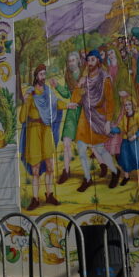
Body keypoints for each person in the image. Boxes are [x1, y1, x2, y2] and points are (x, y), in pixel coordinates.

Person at [71, 50, 117, 193]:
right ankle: (87, 178)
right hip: (84, 118)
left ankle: (115, 172)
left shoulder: (105, 79)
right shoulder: (84, 79)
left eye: (93, 60)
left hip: (98, 118)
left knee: (100, 149)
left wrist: (108, 121)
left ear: (98, 61)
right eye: (88, 60)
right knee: (81, 150)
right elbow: (75, 100)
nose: (90, 63)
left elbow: (110, 101)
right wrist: (79, 85)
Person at [19, 64, 62, 210]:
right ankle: (35, 199)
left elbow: (56, 104)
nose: (43, 77)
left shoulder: (48, 91)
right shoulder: (30, 93)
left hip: (46, 130)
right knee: (35, 169)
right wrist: (25, 103)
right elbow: (22, 118)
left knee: (50, 166)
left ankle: (49, 194)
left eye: (44, 74)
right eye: (41, 74)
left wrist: (68, 105)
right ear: (36, 76)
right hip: (33, 131)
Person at [53, 52, 83, 185]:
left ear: (78, 61)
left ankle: (104, 166)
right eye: (69, 61)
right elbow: (66, 94)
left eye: (73, 60)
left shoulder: (84, 74)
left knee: (88, 143)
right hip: (72, 111)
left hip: (84, 111)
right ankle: (66, 171)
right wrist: (57, 86)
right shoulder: (68, 76)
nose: (71, 63)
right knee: (66, 142)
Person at [112, 97, 139, 188]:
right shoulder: (124, 117)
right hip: (125, 142)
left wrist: (135, 136)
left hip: (135, 141)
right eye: (125, 105)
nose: (127, 107)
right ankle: (126, 177)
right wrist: (111, 129)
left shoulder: (137, 116)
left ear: (133, 105)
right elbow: (120, 128)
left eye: (129, 104)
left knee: (138, 158)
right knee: (125, 159)